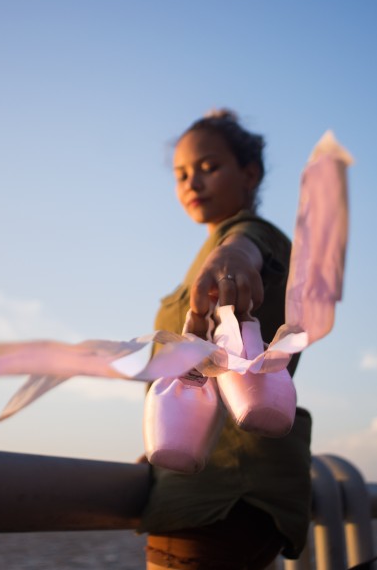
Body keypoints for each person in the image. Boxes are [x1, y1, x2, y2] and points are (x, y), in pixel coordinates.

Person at [139, 110, 312, 570]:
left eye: (208, 167)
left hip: (217, 496)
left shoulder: (252, 238)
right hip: (233, 489)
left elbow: (246, 244)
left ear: (249, 173)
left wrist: (233, 257)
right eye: (181, 174)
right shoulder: (210, 248)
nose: (192, 182)